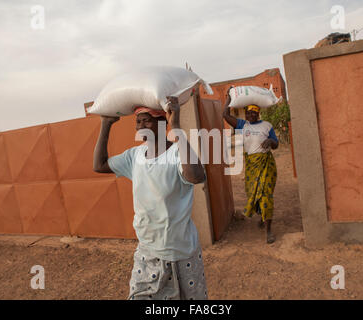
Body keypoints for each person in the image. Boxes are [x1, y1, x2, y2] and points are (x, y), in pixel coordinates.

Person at [93, 96, 208, 300]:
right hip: (147, 250)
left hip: (180, 251)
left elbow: (197, 176)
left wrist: (177, 128)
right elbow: (99, 165)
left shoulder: (176, 154)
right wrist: (106, 124)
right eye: (138, 121)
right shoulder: (133, 156)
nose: (140, 126)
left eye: (146, 120)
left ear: (163, 122)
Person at [223, 89, 278, 244]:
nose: (251, 116)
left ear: (258, 114)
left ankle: (269, 231)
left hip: (266, 164)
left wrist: (270, 142)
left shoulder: (267, 126)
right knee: (253, 192)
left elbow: (276, 144)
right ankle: (261, 216)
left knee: (266, 194)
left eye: (254, 113)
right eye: (248, 113)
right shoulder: (242, 125)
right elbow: (225, 116)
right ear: (245, 114)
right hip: (252, 166)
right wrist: (228, 97)